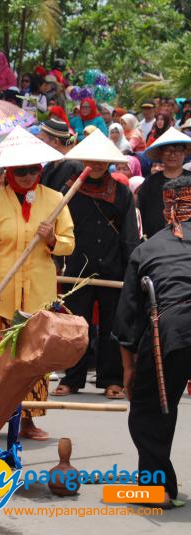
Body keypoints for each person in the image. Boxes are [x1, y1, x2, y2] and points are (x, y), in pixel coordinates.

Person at [0, 127, 75, 440]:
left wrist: (52, 239)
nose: (28, 176)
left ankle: (29, 418)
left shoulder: (55, 199)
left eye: (33, 169)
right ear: (8, 171)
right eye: (21, 170)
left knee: (34, 358)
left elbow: (69, 242)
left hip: (38, 295)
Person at [114, 176, 191, 508]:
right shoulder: (147, 248)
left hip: (172, 330)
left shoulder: (147, 248)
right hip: (173, 328)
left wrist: (129, 371)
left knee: (148, 409)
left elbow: (127, 318)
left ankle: (157, 487)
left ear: (165, 209)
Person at [52, 132, 139, 399]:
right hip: (77, 269)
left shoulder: (122, 192)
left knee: (113, 326)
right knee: (77, 326)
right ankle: (72, 378)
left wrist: (131, 270)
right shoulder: (69, 191)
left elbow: (129, 234)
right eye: (93, 159)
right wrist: (57, 262)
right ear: (83, 160)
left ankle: (110, 379)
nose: (97, 164)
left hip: (113, 269)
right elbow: (58, 229)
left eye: (102, 160)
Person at [138, 128, 191, 238]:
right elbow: (140, 212)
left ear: (185, 153)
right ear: (161, 153)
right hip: (156, 240)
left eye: (178, 149)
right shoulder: (150, 183)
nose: (173, 154)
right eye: (168, 150)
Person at [37, 118, 84, 192]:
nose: (38, 144)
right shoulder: (50, 165)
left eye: (42, 140)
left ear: (55, 142)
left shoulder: (75, 166)